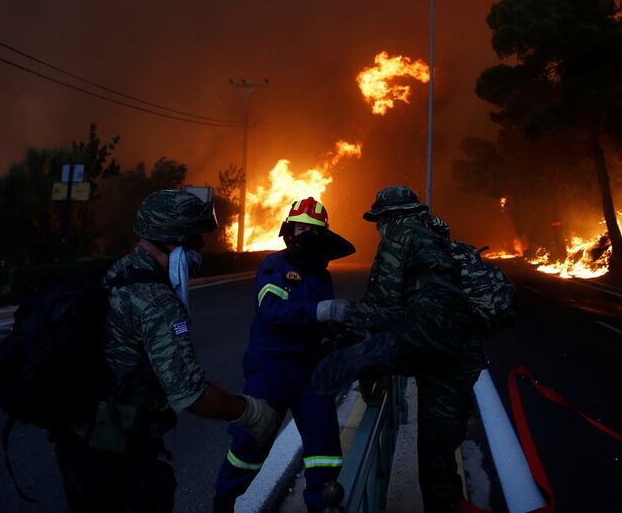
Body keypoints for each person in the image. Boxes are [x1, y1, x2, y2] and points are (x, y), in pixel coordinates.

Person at [53, 189, 280, 512]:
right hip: (118, 459)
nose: (200, 250)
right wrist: (248, 413)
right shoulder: (158, 302)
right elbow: (191, 394)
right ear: (174, 241)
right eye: (196, 240)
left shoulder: (118, 273)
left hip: (79, 445)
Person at [312, 185, 489, 513]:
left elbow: (383, 304)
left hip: (426, 333)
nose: (379, 227)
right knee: (439, 456)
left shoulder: (398, 235)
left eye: (378, 219)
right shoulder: (440, 238)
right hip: (462, 351)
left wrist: (348, 330)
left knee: (373, 340)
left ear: (387, 215)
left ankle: (378, 355)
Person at [213, 197, 356, 513]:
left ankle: (322, 505)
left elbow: (325, 323)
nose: (305, 233)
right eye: (300, 227)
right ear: (289, 230)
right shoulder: (274, 265)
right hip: (271, 368)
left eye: (312, 229)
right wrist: (318, 310)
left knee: (325, 445)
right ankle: (224, 500)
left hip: (309, 370)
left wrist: (344, 327)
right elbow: (271, 310)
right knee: (251, 442)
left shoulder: (322, 275)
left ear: (323, 234)